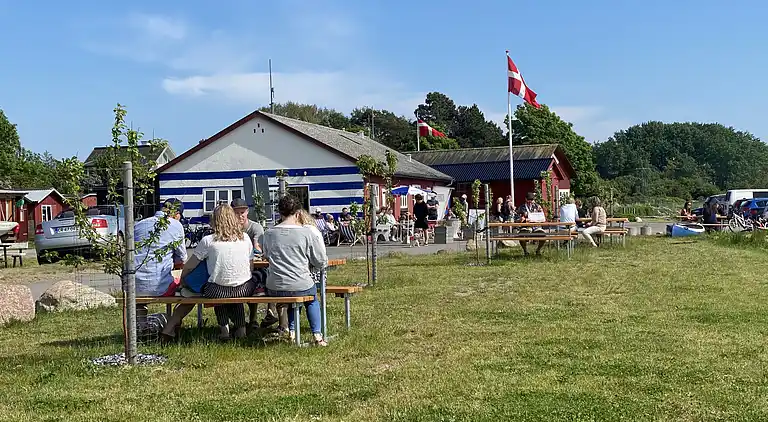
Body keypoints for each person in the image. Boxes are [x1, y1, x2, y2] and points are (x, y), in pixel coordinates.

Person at [263, 196, 328, 346]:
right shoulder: (307, 233)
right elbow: (320, 261)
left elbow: (266, 256)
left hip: (274, 287)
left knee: (292, 299)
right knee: (311, 299)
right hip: (300, 283)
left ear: (280, 213)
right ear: (298, 213)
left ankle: (292, 332)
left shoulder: (269, 233)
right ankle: (317, 336)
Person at [189, 204, 256, 340]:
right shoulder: (245, 238)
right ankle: (241, 328)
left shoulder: (208, 240)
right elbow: (251, 266)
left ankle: (224, 330)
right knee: (237, 296)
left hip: (217, 290)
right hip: (243, 289)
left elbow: (190, 265)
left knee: (217, 291)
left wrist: (184, 279)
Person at [230, 198, 278, 330]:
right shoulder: (228, 229)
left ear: (247, 211)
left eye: (243, 212)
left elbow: (258, 249)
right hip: (235, 267)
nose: (240, 216)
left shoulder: (255, 227)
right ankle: (247, 320)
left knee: (260, 276)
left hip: (255, 266)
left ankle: (261, 315)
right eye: (237, 213)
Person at [135, 198, 187, 297]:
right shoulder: (176, 225)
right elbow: (182, 258)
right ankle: (173, 313)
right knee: (185, 285)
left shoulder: (139, 224)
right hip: (160, 287)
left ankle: (139, 312)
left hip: (133, 286)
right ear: (177, 214)